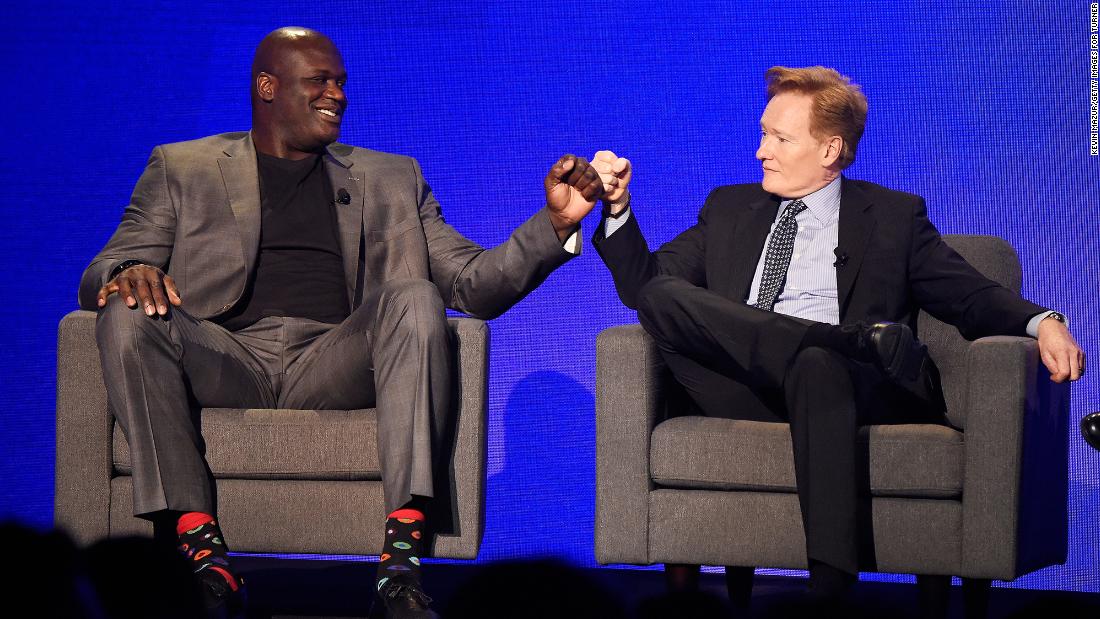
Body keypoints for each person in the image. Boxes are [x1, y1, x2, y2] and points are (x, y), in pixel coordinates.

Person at [79, 26, 605, 619]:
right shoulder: (183, 167)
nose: (339, 94)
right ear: (268, 86)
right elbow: (103, 266)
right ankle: (204, 556)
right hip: (224, 355)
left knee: (416, 294)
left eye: (341, 82)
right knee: (127, 308)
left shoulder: (391, 178)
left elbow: (472, 286)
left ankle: (401, 566)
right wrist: (129, 270)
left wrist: (554, 226)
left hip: (334, 359)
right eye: (320, 81)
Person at [589, 66, 1084, 603]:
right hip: (745, 386)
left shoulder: (893, 217)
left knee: (817, 365)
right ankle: (840, 339)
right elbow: (645, 287)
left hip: (846, 389)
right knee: (661, 297)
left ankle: (829, 591)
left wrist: (1044, 321)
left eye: (780, 138)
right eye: (763, 134)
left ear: (830, 150)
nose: (762, 151)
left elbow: (968, 295)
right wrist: (617, 209)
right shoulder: (729, 208)